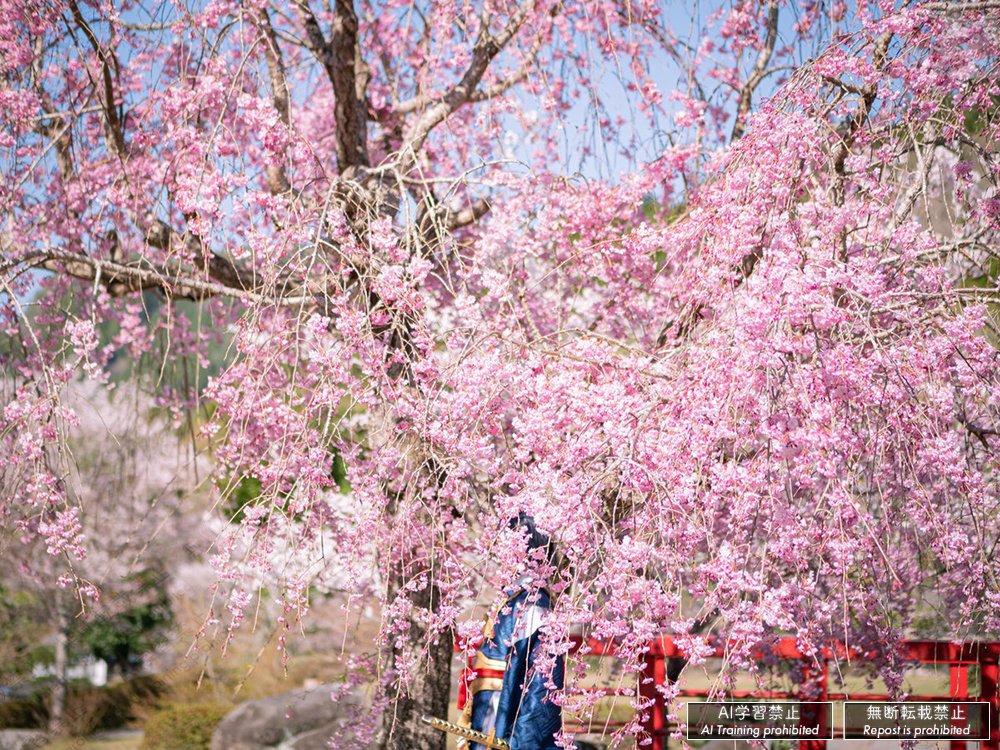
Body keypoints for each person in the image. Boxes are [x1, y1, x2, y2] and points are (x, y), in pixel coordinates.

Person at [457, 514, 564, 750]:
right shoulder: (512, 598)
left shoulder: (532, 603)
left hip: (507, 714)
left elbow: (537, 687)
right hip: (489, 709)